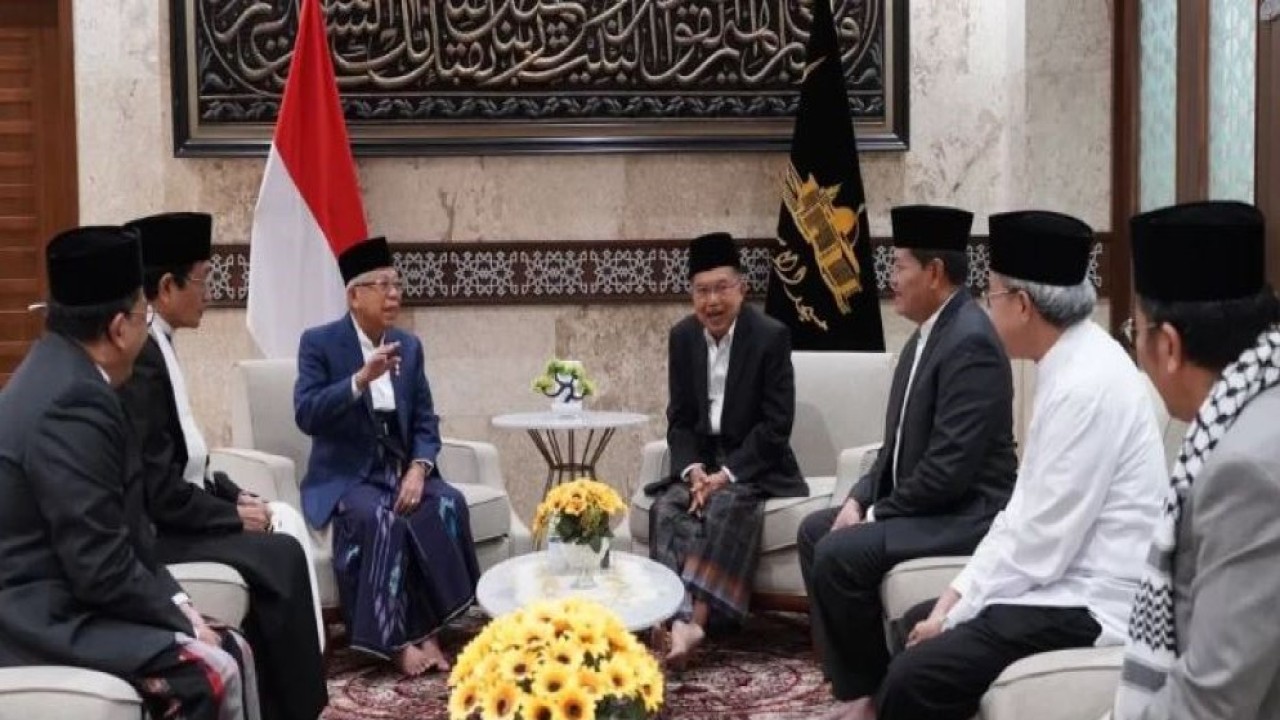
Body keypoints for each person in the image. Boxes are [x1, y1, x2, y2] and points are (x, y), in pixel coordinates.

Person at [872, 210, 1167, 720]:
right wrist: (956, 598)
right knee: (916, 623)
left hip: (1095, 600)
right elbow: (1026, 511)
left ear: (1024, 305)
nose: (986, 309)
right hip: (1064, 577)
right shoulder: (1072, 359)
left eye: (992, 295)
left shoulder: (1085, 385)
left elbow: (1040, 545)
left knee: (916, 675)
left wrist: (957, 609)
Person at [0, 226, 259, 720]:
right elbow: (99, 566)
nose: (146, 330)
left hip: (70, 596)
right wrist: (178, 618)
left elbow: (124, 535)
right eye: (144, 316)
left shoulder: (65, 371)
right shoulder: (71, 403)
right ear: (119, 329)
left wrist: (177, 605)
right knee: (212, 667)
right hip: (38, 617)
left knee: (231, 645)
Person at [797, 205, 1017, 716]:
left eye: (898, 267)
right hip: (925, 505)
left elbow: (948, 472)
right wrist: (858, 497)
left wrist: (872, 517)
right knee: (816, 532)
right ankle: (858, 684)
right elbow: (892, 447)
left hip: (966, 512)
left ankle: (875, 696)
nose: (890, 279)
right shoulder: (927, 335)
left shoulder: (971, 343)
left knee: (839, 553)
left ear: (935, 273)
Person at [117, 212, 328, 720]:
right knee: (279, 555)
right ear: (167, 287)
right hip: (161, 530)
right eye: (203, 280)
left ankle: (285, 702)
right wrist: (232, 518)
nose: (208, 292)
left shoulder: (160, 346)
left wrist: (232, 498)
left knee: (278, 542)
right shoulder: (145, 357)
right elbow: (158, 487)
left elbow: (189, 458)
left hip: (181, 513)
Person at [1114, 201, 1280, 720]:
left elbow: (1214, 700)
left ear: (1168, 345)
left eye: (1133, 330)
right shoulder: (1254, 410)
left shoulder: (1246, 471)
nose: (1134, 346)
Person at [294, 235, 480, 676]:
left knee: (444, 503)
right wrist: (360, 379)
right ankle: (394, 642)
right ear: (354, 295)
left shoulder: (409, 347)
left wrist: (419, 469)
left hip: (399, 468)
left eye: (397, 284)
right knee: (382, 520)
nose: (394, 294)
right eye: (382, 284)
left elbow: (425, 423)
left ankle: (431, 627)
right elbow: (306, 414)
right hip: (348, 476)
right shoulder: (319, 344)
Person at [646, 231, 807, 666]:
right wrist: (694, 470)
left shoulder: (771, 336)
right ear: (691, 295)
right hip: (704, 463)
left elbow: (777, 427)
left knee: (725, 506)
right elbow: (679, 418)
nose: (712, 302)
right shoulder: (682, 338)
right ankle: (672, 619)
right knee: (666, 508)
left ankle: (697, 623)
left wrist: (726, 475)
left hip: (753, 465)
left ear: (742, 288)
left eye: (721, 289)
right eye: (702, 291)